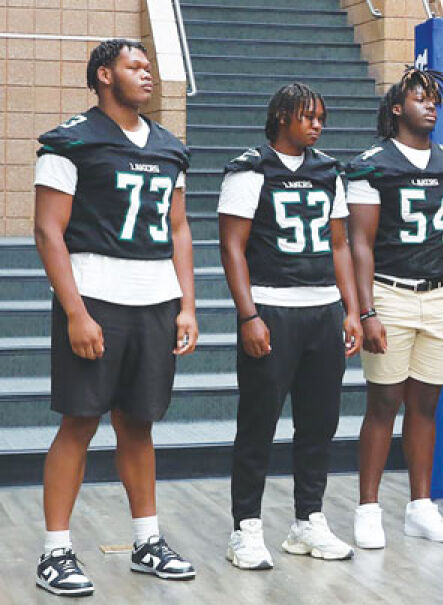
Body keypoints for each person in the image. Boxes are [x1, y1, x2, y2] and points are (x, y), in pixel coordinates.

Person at [32, 38, 198, 596]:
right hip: (96, 297)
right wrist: (76, 311)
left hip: (154, 298)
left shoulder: (171, 147)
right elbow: (48, 230)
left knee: (139, 422)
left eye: (149, 66)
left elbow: (179, 230)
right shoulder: (70, 140)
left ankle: (146, 541)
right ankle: (55, 551)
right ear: (105, 75)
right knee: (79, 422)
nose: (147, 75)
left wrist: (187, 305)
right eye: (135, 66)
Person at [219, 82, 362, 569]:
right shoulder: (250, 168)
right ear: (282, 117)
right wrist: (248, 315)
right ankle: (246, 528)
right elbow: (232, 248)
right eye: (308, 117)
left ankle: (308, 520)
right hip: (272, 308)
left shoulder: (329, 171)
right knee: (258, 423)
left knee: (318, 423)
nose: (318, 125)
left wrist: (351, 308)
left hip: (322, 309)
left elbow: (339, 245)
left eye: (321, 117)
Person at [346, 67, 443, 546]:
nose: (430, 105)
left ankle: (421, 506)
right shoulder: (372, 163)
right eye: (420, 97)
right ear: (397, 108)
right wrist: (366, 311)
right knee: (384, 402)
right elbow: (359, 244)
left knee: (426, 404)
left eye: (435, 99)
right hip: (389, 292)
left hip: (438, 294)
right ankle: (367, 509)